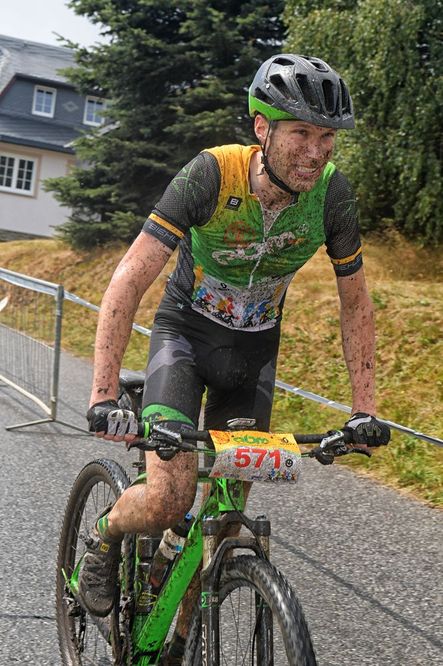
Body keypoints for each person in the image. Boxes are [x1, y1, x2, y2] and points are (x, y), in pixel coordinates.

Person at [80, 53, 390, 660]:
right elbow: (130, 277)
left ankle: (179, 641)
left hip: (252, 355)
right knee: (170, 497)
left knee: (222, 522)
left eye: (327, 137)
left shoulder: (331, 195)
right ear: (261, 128)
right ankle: (105, 536)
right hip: (184, 340)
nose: (316, 152)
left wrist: (364, 411)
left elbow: (356, 303)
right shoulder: (211, 175)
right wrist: (103, 394)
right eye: (301, 133)